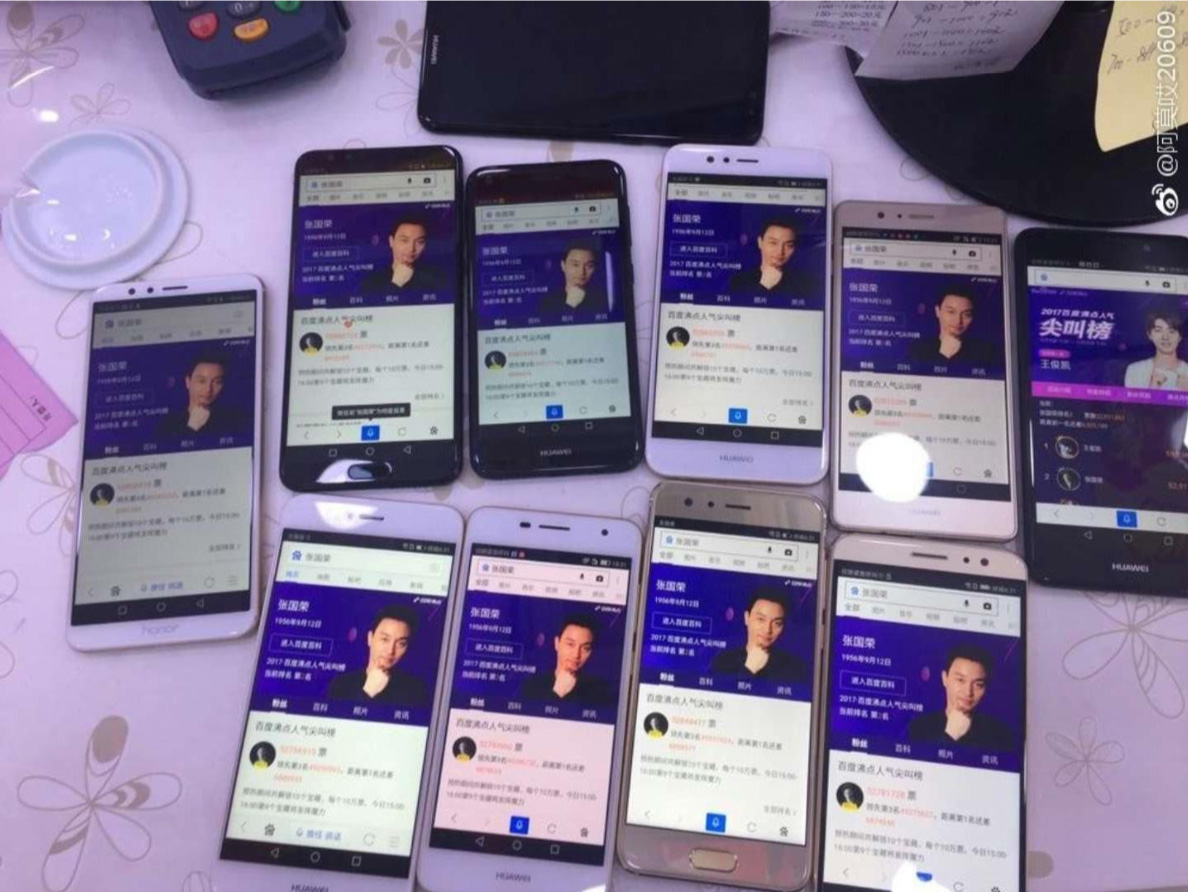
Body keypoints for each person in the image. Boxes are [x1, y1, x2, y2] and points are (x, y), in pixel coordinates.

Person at [908, 644, 1012, 749]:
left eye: (978, 685)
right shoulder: (919, 728)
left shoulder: (1000, 736)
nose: (968, 692)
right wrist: (949, 735)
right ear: (945, 678)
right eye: (960, 680)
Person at [326, 604, 428, 705]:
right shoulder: (341, 685)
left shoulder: (415, 692)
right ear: (370, 638)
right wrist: (368, 692)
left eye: (401, 643)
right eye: (385, 639)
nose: (390, 651)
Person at [710, 588, 807, 682]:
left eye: (777, 623)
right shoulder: (723, 662)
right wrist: (749, 669)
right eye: (761, 619)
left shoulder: (794, 669)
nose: (767, 630)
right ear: (747, 618)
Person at [519, 613, 611, 704]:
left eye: (585, 648)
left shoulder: (600, 694)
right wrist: (557, 693)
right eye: (570, 644)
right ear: (557, 643)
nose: (576, 655)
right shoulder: (531, 687)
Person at [156, 354, 245, 437]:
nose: (208, 389)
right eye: (201, 381)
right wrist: (192, 427)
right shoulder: (168, 424)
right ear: (188, 382)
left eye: (217, 382)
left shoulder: (235, 421)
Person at [908, 290, 999, 365]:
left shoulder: (986, 352)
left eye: (966, 314)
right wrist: (943, 355)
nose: (958, 321)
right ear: (937, 311)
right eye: (951, 312)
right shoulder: (919, 348)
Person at [360, 219, 446, 293]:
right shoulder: (372, 282)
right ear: (391, 241)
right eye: (404, 241)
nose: (411, 249)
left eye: (419, 242)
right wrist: (395, 284)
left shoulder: (436, 280)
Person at [538, 240, 609, 316]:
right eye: (575, 265)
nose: (581, 272)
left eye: (589, 266)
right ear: (563, 265)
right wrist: (570, 305)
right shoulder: (548, 302)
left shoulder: (603, 300)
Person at [729, 220, 798, 294]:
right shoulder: (739, 281)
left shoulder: (802, 283)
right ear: (760, 242)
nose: (780, 251)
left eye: (789, 245)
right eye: (773, 243)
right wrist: (764, 286)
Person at [1124, 311, 1188, 390]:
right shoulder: (1136, 370)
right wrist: (1153, 389)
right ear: (1149, 335)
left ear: (1180, 336)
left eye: (1171, 331)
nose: (1165, 337)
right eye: (1158, 330)